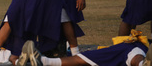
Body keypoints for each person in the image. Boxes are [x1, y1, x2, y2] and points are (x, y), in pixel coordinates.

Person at [19, 30, 152, 66]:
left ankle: (43, 61)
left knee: (85, 58)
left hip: (134, 46)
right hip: (132, 46)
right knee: (87, 58)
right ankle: (43, 61)